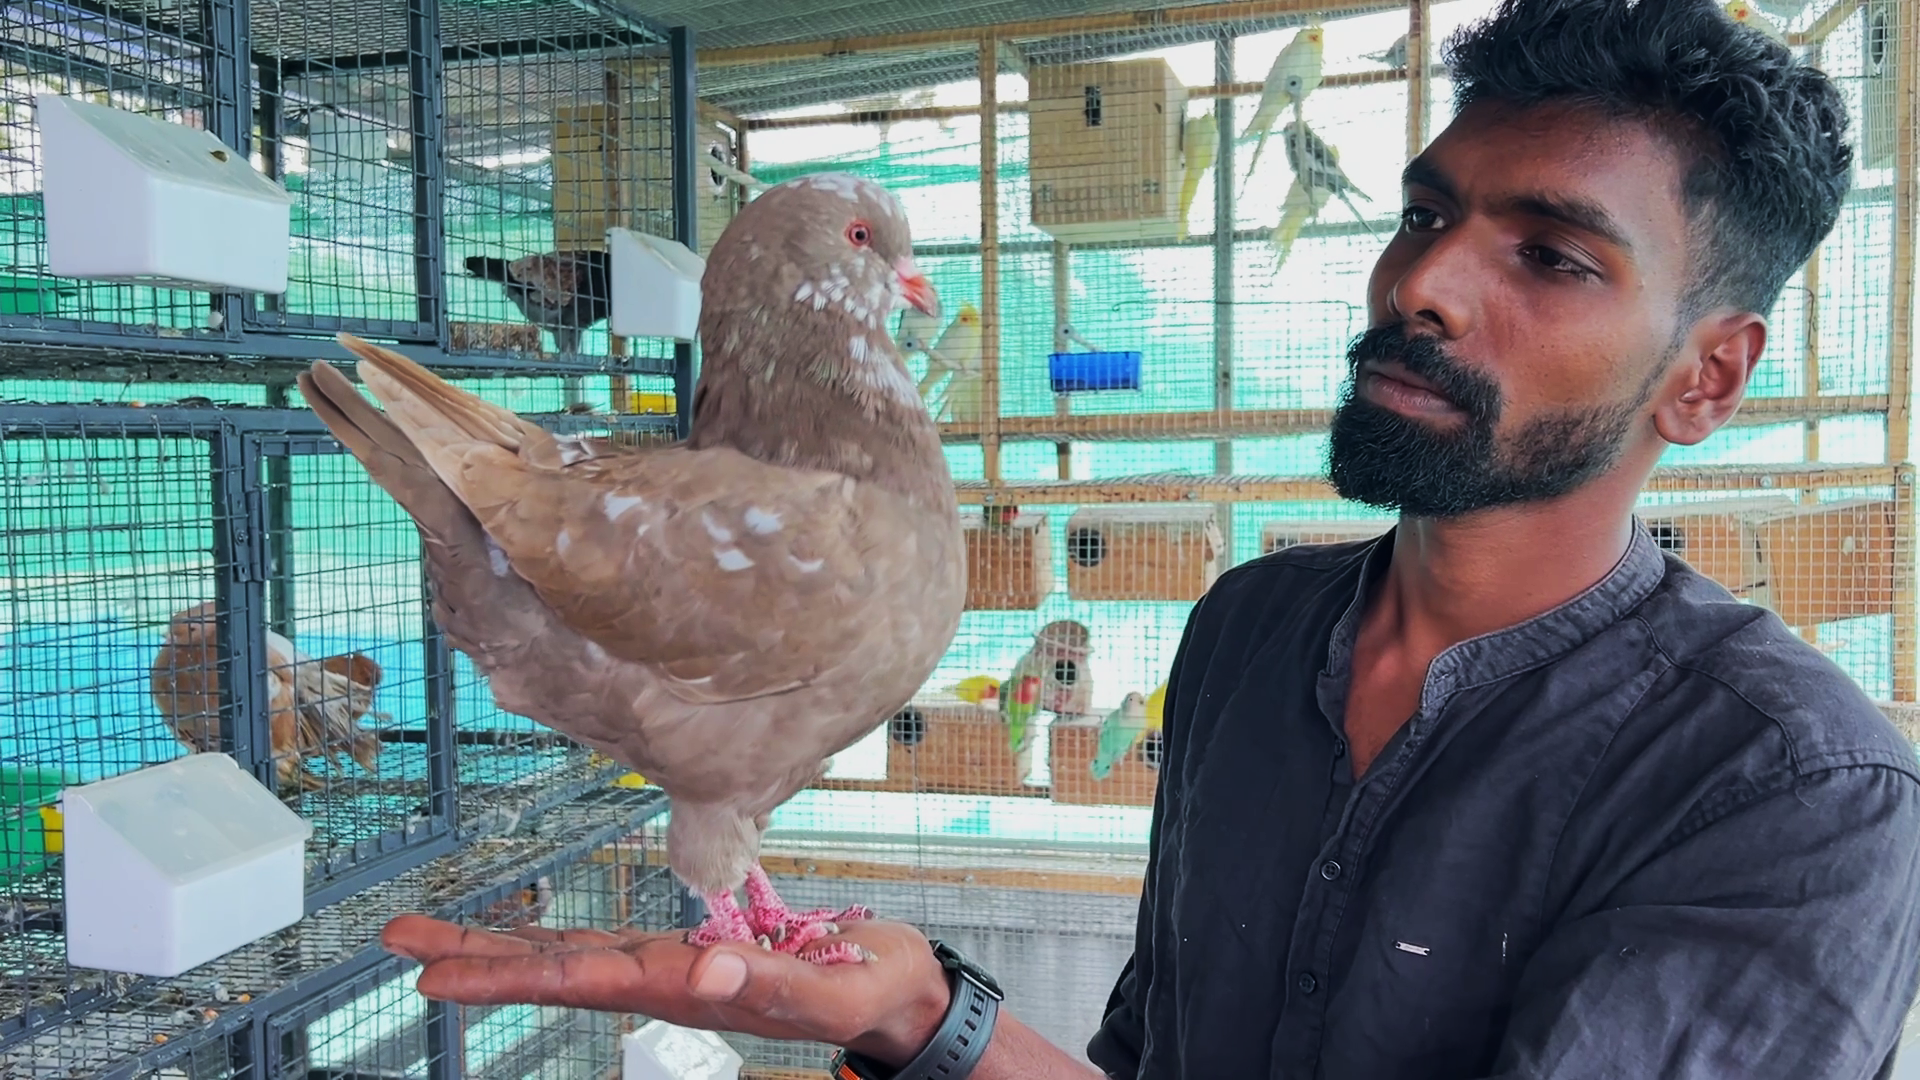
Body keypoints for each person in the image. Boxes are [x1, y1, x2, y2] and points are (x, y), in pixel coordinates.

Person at [379, 0, 1920, 1075]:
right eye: (1422, 212)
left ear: (1710, 373)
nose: (1426, 285)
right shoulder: (1249, 632)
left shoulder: (1801, 798)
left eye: (1551, 256)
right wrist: (920, 1022)